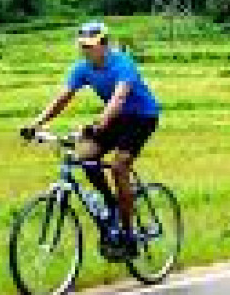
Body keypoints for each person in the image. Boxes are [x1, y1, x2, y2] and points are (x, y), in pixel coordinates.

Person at [20, 21, 160, 258]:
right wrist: (36, 124)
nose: (85, 51)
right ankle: (111, 203)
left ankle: (128, 234)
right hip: (115, 119)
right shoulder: (82, 68)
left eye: (90, 46)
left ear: (104, 44)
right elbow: (62, 98)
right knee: (84, 157)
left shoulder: (123, 64)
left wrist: (97, 126)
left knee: (119, 166)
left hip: (141, 118)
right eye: (82, 46)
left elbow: (117, 100)